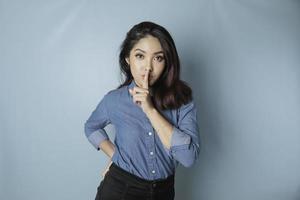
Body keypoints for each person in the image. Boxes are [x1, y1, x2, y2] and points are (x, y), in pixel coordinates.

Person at [84, 21, 201, 200]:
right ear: (127, 59)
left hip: (164, 192)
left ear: (167, 62)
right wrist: (115, 156)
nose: (148, 67)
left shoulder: (182, 100)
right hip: (120, 190)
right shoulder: (114, 99)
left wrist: (150, 109)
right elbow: (91, 127)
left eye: (158, 58)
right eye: (140, 56)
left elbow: (188, 157)